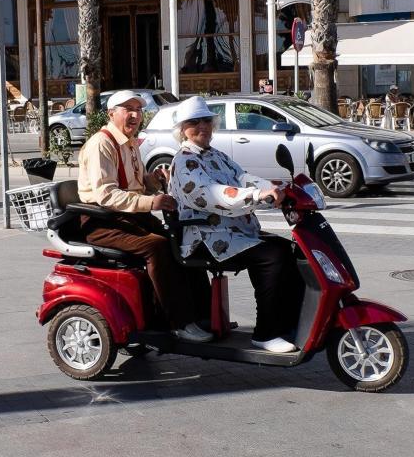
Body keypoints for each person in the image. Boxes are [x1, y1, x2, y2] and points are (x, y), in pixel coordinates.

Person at [168, 96, 305, 354]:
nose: (202, 127)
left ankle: (287, 321)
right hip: (205, 237)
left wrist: (270, 187)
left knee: (291, 249)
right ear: (182, 130)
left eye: (206, 121)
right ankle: (266, 333)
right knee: (271, 257)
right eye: (194, 123)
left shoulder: (215, 155)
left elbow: (241, 176)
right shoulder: (185, 161)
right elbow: (211, 194)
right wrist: (254, 196)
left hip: (232, 231)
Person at [77, 90, 212, 344]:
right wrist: (152, 201)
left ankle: (203, 314)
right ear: (111, 113)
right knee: (157, 247)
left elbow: (132, 186)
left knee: (183, 241)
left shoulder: (129, 142)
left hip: (127, 218)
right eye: (127, 109)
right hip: (102, 221)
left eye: (138, 110)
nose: (134, 115)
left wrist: (153, 180)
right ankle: (179, 322)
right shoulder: (101, 144)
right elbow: (106, 195)